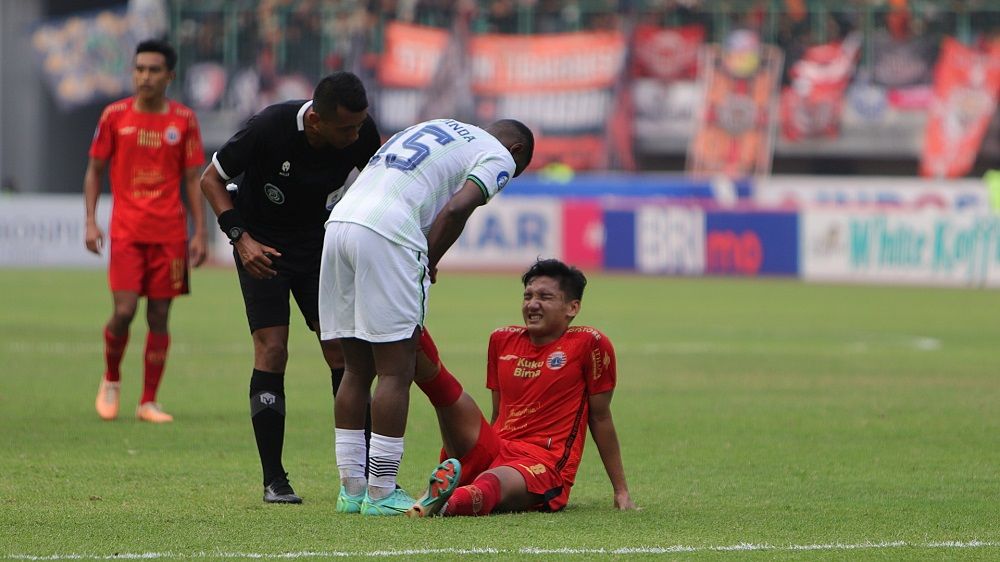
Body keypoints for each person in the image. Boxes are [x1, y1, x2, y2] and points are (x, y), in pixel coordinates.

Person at [319, 118, 534, 515]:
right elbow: (457, 208)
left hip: (340, 223)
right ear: (516, 151)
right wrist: (429, 260)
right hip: (388, 230)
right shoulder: (500, 153)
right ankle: (382, 493)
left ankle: (352, 489)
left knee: (355, 366)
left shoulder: (441, 126)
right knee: (396, 369)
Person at [199, 71, 381, 504]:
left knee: (341, 350)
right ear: (315, 120)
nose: (356, 135)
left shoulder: (361, 132)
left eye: (359, 125)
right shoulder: (269, 127)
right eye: (346, 128)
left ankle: (365, 473)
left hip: (320, 244)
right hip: (261, 245)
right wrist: (240, 239)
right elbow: (210, 179)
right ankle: (274, 479)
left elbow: (382, 182)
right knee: (272, 350)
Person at [407, 259, 637, 516]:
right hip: (498, 445)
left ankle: (444, 502)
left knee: (491, 482)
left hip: (542, 462)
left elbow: (601, 416)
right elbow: (497, 415)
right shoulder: (502, 340)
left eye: (545, 297)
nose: (532, 304)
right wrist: (478, 450)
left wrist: (621, 491)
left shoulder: (589, 344)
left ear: (572, 307)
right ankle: (404, 314)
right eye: (528, 296)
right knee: (444, 390)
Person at [86, 39, 206, 425]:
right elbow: (94, 170)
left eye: (154, 70)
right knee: (123, 311)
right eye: (139, 69)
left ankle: (148, 402)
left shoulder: (183, 120)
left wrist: (199, 231)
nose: (145, 76)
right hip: (126, 231)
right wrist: (90, 220)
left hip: (169, 234)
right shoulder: (114, 116)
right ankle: (111, 378)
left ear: (169, 75)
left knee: (159, 315)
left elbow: (192, 180)